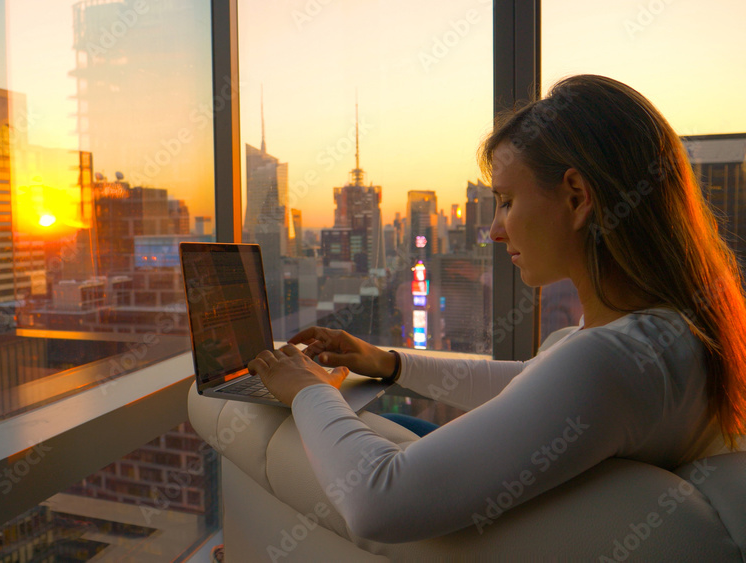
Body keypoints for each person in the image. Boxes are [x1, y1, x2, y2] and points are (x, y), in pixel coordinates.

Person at [246, 74, 746, 543]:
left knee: (250, 418)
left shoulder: (611, 360)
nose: (494, 229)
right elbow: (535, 381)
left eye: (506, 200)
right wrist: (391, 363)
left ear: (576, 197)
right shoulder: (673, 325)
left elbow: (377, 499)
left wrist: (308, 389)